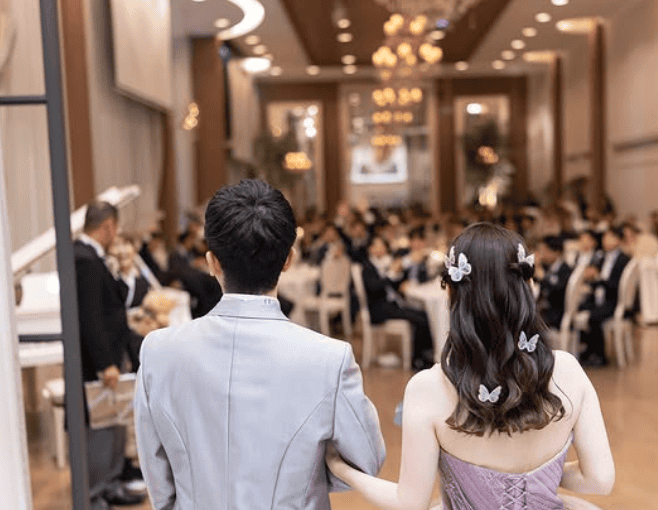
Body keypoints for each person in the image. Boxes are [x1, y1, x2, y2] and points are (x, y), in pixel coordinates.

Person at [134, 180, 386, 510]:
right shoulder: (329, 359)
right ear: (288, 259)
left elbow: (158, 476)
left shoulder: (158, 351)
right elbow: (367, 460)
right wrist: (304, 477)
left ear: (212, 262)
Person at [326, 223, 615, 510]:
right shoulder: (568, 370)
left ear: (452, 294)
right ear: (528, 288)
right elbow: (600, 480)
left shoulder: (428, 388)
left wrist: (343, 469)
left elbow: (410, 503)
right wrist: (542, 476)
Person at [74, 202, 145, 508]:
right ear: (108, 227)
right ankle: (95, 493)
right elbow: (90, 317)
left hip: (112, 356)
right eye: (115, 228)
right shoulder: (85, 259)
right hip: (99, 364)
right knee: (101, 428)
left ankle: (110, 484)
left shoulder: (91, 257)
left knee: (114, 422)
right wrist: (105, 363)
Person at [361, 236, 434, 370]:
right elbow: (374, 288)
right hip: (379, 309)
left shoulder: (386, 262)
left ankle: (424, 353)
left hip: (392, 305)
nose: (380, 248)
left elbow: (392, 286)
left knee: (424, 314)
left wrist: (398, 276)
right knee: (420, 319)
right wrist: (390, 274)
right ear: (370, 249)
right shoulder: (367, 266)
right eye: (376, 246)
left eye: (382, 245)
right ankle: (417, 359)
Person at [578, 227, 631, 367]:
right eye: (604, 237)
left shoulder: (623, 260)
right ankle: (587, 349)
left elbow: (617, 287)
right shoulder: (601, 257)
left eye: (610, 237)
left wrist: (598, 278)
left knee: (594, 317)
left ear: (618, 240)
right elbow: (596, 281)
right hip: (598, 298)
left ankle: (600, 356)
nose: (605, 240)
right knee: (577, 308)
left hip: (614, 301)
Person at [537, 236, 572, 330]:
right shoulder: (546, 266)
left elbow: (559, 293)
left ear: (556, 252)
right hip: (544, 309)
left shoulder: (565, 270)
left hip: (557, 313)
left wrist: (544, 279)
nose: (541, 254)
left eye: (544, 251)